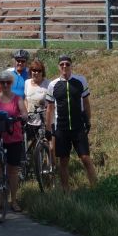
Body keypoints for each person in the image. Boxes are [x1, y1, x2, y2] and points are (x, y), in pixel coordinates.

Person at [45, 54, 97, 191]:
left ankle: (96, 188)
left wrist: (88, 121)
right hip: (61, 128)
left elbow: (86, 103)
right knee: (63, 161)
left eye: (67, 64)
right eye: (62, 64)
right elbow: (49, 109)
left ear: (71, 66)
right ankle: (66, 191)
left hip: (78, 126)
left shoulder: (80, 81)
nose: (64, 66)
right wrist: (48, 129)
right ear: (58, 66)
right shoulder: (53, 85)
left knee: (85, 158)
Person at [0, 70, 27, 213]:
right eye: (2, 82)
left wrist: (22, 117)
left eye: (8, 82)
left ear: (11, 83)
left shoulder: (17, 99)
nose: (5, 85)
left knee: (12, 170)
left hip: (13, 138)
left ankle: (13, 200)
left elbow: (24, 113)